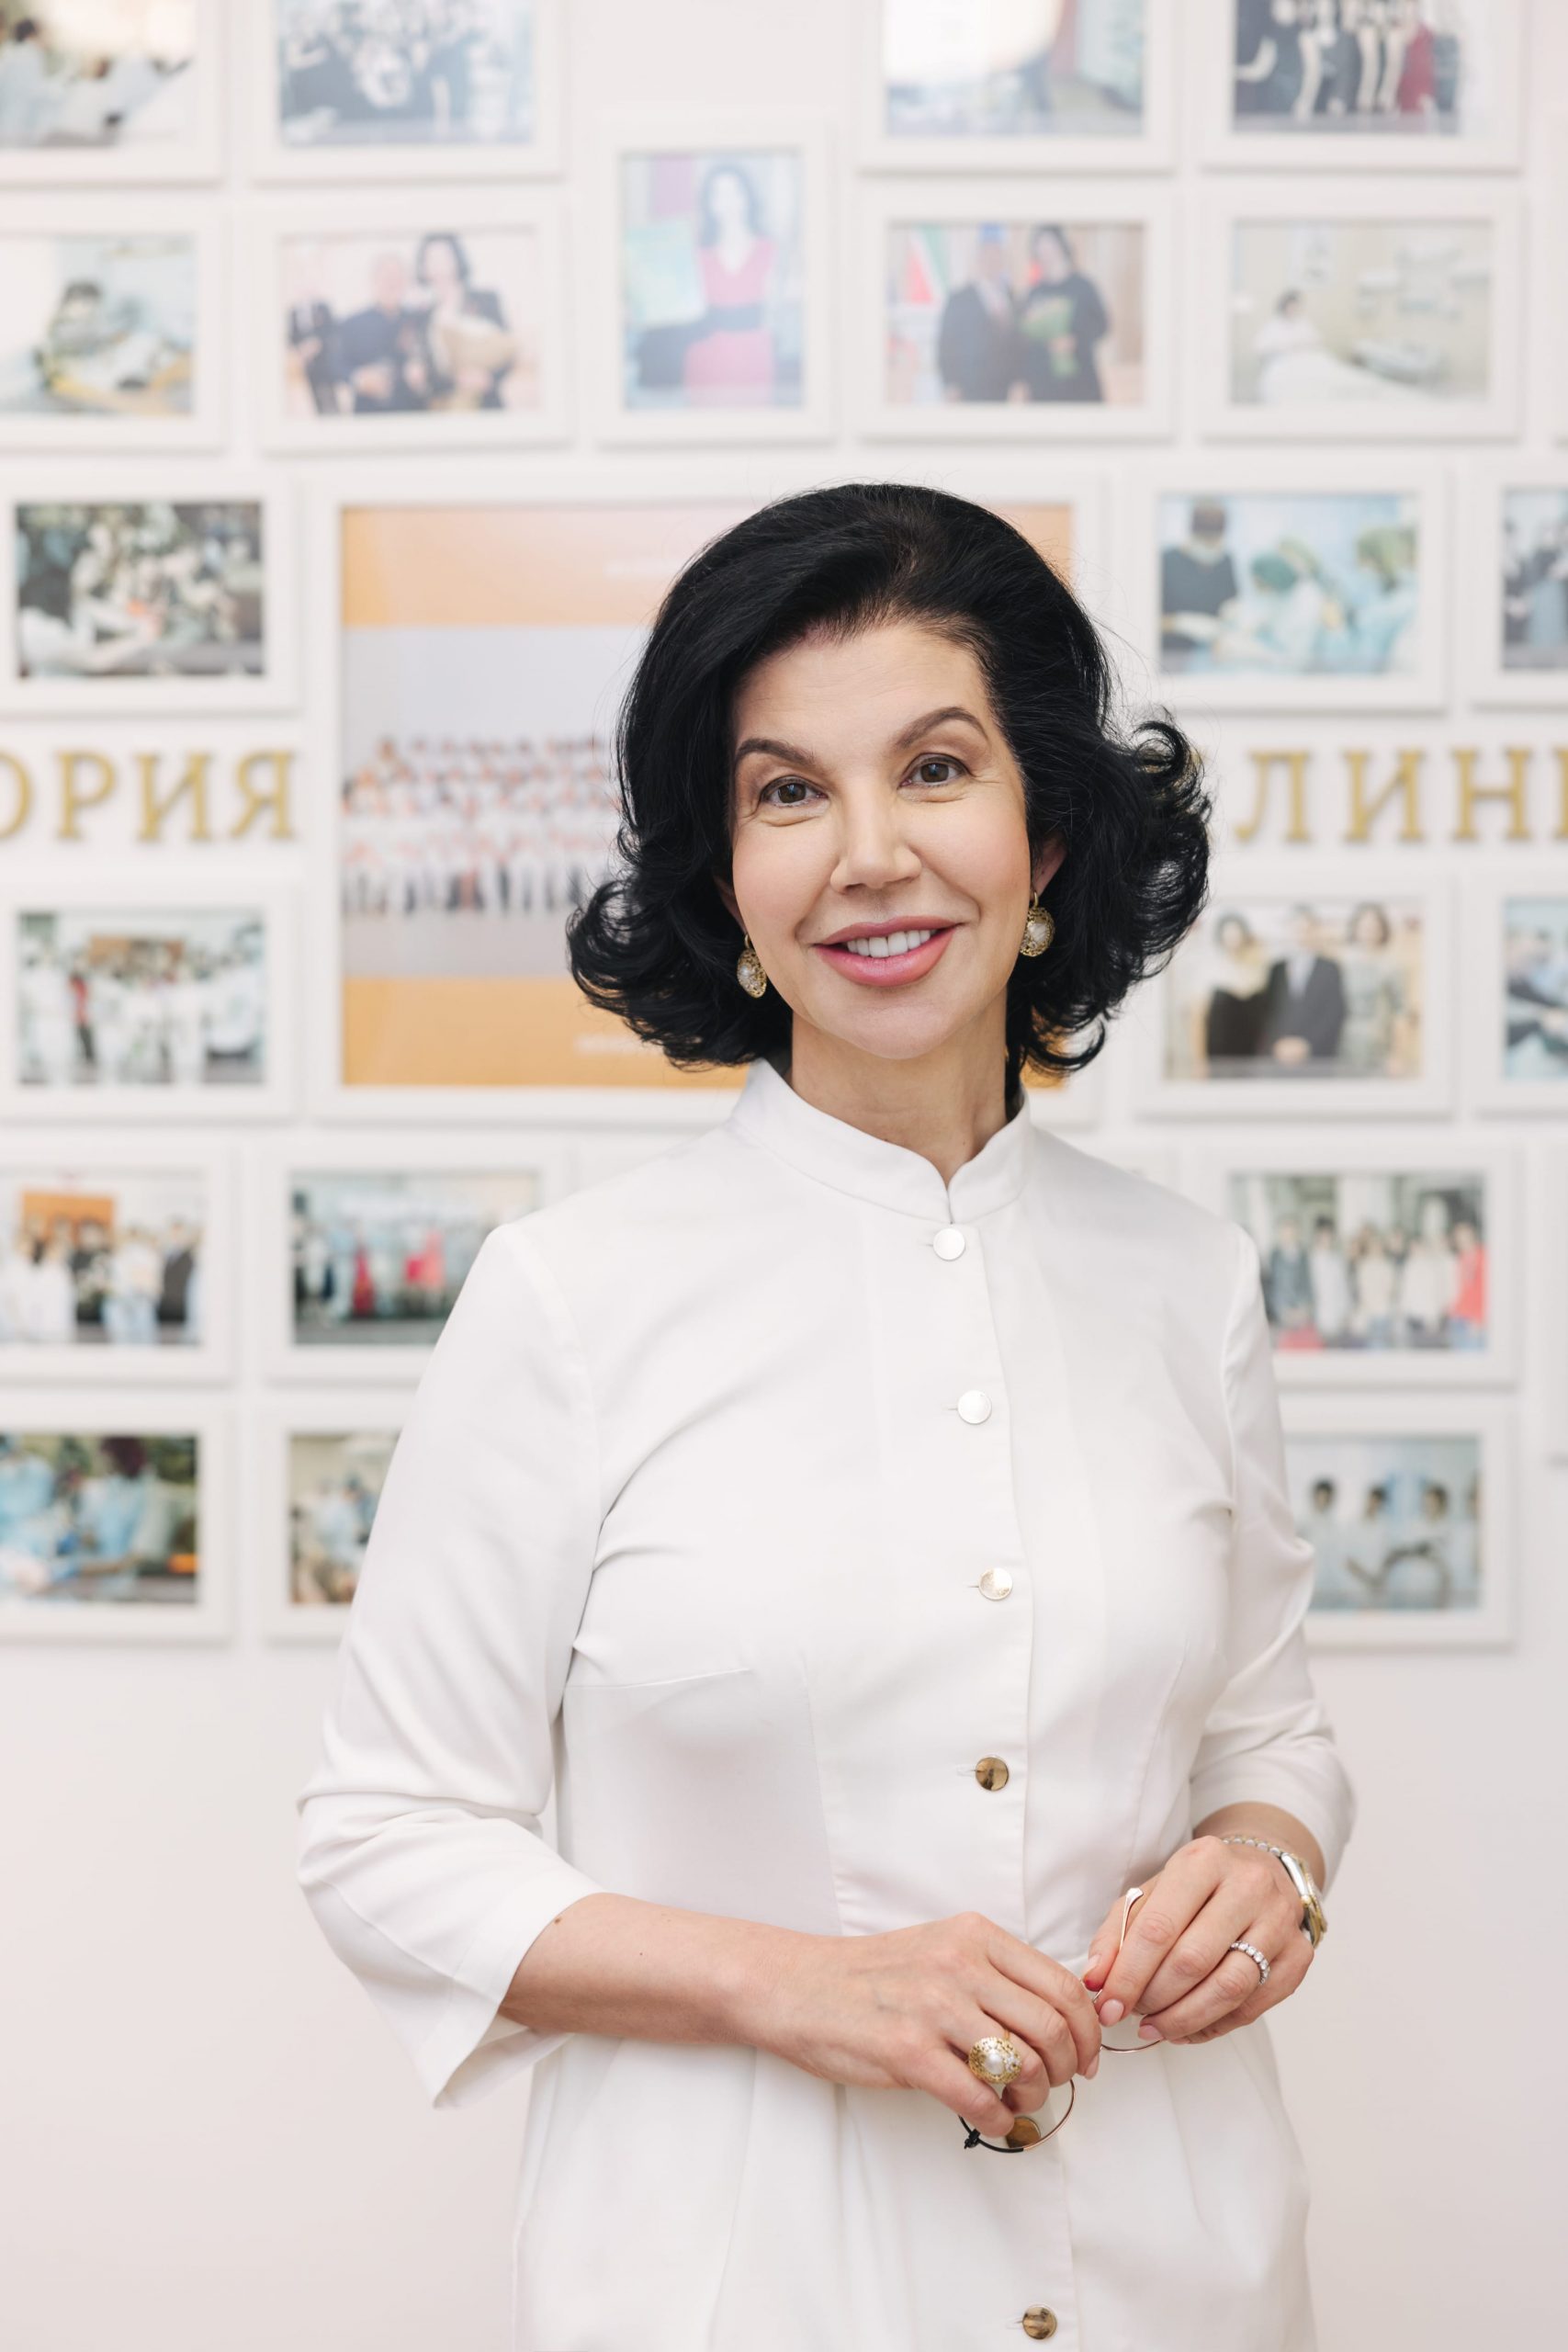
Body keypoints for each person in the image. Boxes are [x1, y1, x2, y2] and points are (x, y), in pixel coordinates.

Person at [296, 481, 1354, 2352]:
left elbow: (1267, 1734)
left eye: (934, 769)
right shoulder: (571, 1300)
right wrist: (792, 1984)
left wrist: (1269, 1867)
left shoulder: (1184, 1283)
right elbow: (386, 1835)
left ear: (1044, 832)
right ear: (727, 874)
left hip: (1174, 2268)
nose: (869, 854)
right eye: (787, 792)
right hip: (739, 2279)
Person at [1015, 224, 1109, 404]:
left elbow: (1102, 325)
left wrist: (1075, 341)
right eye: (1041, 250)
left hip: (1082, 384)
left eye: (1050, 246)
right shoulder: (1034, 293)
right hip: (1044, 389)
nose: (1046, 254)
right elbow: (1026, 341)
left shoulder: (1083, 286)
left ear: (1062, 247)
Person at [934, 224, 1021, 403]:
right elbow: (945, 344)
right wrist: (950, 384)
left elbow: (1018, 344)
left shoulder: (1013, 298)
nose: (992, 259)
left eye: (997, 253)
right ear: (978, 257)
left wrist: (1019, 381)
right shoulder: (959, 298)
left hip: (1005, 394)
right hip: (969, 392)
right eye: (987, 253)